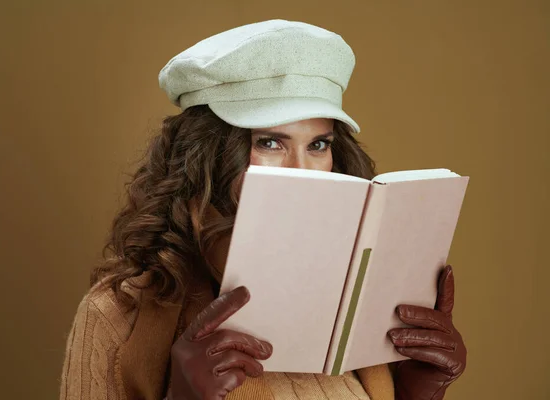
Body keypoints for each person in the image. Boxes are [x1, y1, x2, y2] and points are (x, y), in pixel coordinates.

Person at [60, 20, 466, 400]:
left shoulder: (351, 297)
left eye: (318, 145)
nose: (304, 172)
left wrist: (416, 390)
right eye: (270, 143)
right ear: (210, 158)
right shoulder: (117, 313)